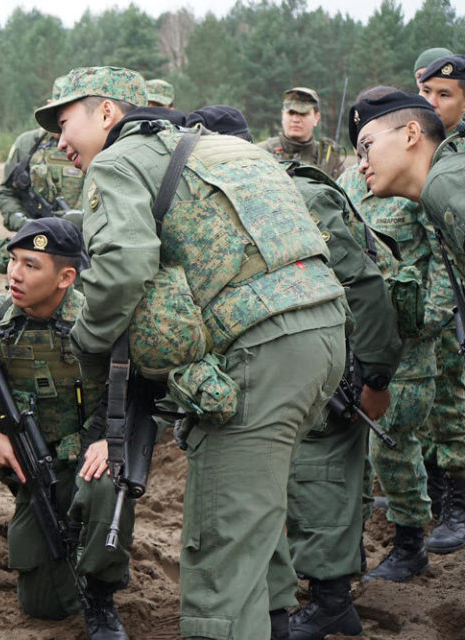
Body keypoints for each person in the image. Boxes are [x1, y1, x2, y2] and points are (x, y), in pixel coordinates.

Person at [35, 66, 347, 640]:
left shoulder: (117, 162)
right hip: (324, 337)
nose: (59, 141)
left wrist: (86, 340)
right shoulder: (221, 147)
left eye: (63, 122)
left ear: (106, 113)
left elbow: (124, 268)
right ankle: (274, 622)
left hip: (259, 351)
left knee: (221, 543)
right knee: (257, 513)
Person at [193, 103, 403, 639]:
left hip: (334, 363)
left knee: (321, 476)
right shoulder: (224, 202)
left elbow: (365, 284)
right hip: (293, 357)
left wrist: (375, 377)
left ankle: (332, 600)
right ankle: (306, 597)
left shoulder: (296, 194)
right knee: (287, 480)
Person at [0, 217, 133, 640]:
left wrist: (108, 440)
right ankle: (87, 560)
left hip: (87, 456)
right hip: (33, 468)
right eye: (13, 261)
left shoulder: (95, 323)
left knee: (106, 484)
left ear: (66, 277)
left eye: (31, 265)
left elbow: (132, 389)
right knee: (44, 606)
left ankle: (102, 597)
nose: (15, 274)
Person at [350, 84, 465, 559]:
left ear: (412, 133)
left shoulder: (446, 185)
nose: (361, 163)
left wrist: (431, 320)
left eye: (369, 146)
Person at [416, 54, 465, 555]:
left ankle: (458, 503)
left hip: (452, 300)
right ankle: (435, 490)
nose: (431, 104)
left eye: (444, 94)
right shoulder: (427, 150)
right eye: (425, 93)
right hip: (435, 296)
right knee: (434, 402)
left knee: (454, 399)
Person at [259, 87, 345, 178]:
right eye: (291, 113)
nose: (295, 120)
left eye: (303, 114)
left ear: (316, 118)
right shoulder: (261, 153)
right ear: (283, 115)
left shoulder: (328, 160)